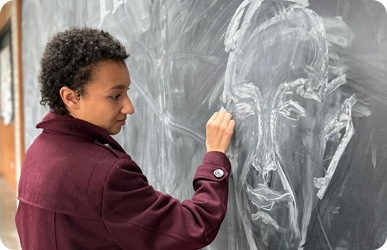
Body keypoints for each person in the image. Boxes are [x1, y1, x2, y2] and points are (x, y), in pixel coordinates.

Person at [15, 27, 235, 250]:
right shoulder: (106, 176)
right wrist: (215, 159)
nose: (129, 107)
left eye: (127, 92)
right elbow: (194, 226)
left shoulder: (37, 152)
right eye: (115, 96)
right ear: (72, 98)